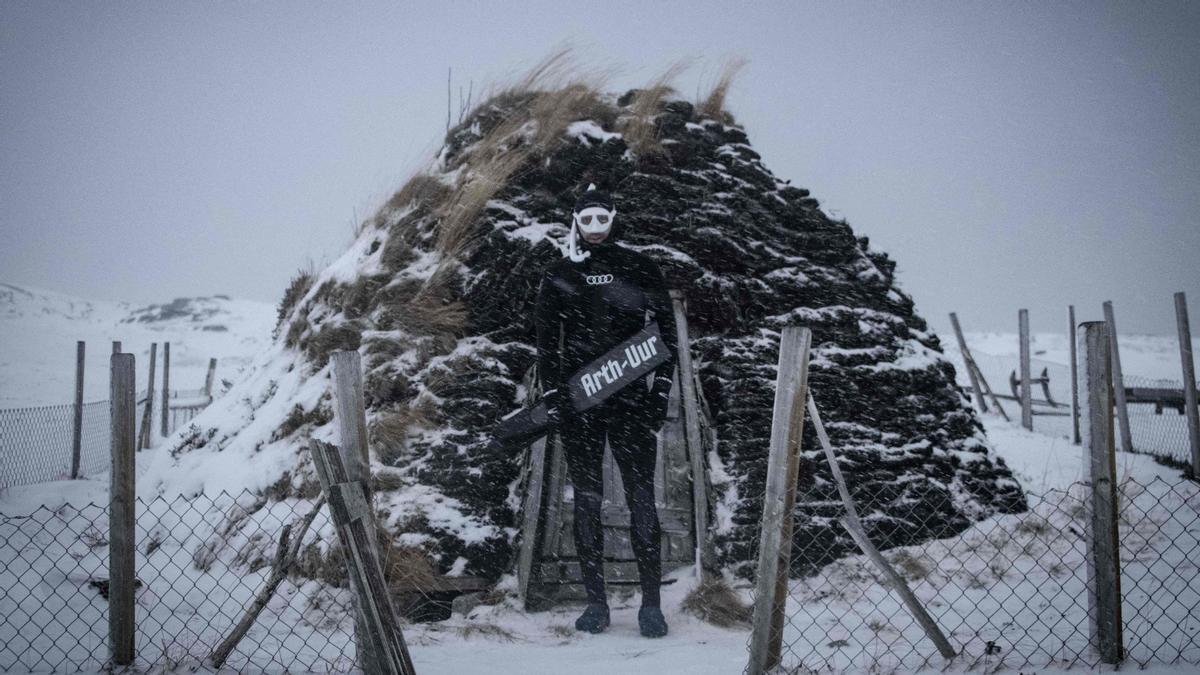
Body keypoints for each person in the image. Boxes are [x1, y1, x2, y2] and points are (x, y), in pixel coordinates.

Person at [533, 184, 678, 638]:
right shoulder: (560, 273)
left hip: (633, 401)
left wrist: (660, 393)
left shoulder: (640, 267)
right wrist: (554, 391)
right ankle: (596, 604)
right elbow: (545, 341)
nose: (595, 228)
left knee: (640, 500)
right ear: (576, 221)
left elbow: (667, 334)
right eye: (587, 220)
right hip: (583, 403)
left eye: (602, 218)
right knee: (588, 502)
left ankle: (651, 606)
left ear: (614, 217)